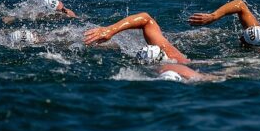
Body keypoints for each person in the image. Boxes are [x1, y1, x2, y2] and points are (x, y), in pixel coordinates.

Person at [83, 12, 219, 81]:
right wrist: (110, 30)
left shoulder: (166, 66)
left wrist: (110, 30)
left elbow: (145, 18)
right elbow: (146, 18)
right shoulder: (175, 56)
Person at [188, 0, 260, 47]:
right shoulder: (256, 29)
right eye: (243, 35)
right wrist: (213, 16)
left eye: (244, 39)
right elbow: (240, 4)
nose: (240, 38)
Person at [2, 0, 77, 24]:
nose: (62, 10)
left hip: (47, 4)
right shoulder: (40, 13)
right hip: (41, 8)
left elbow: (72, 15)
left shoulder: (61, 7)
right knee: (30, 14)